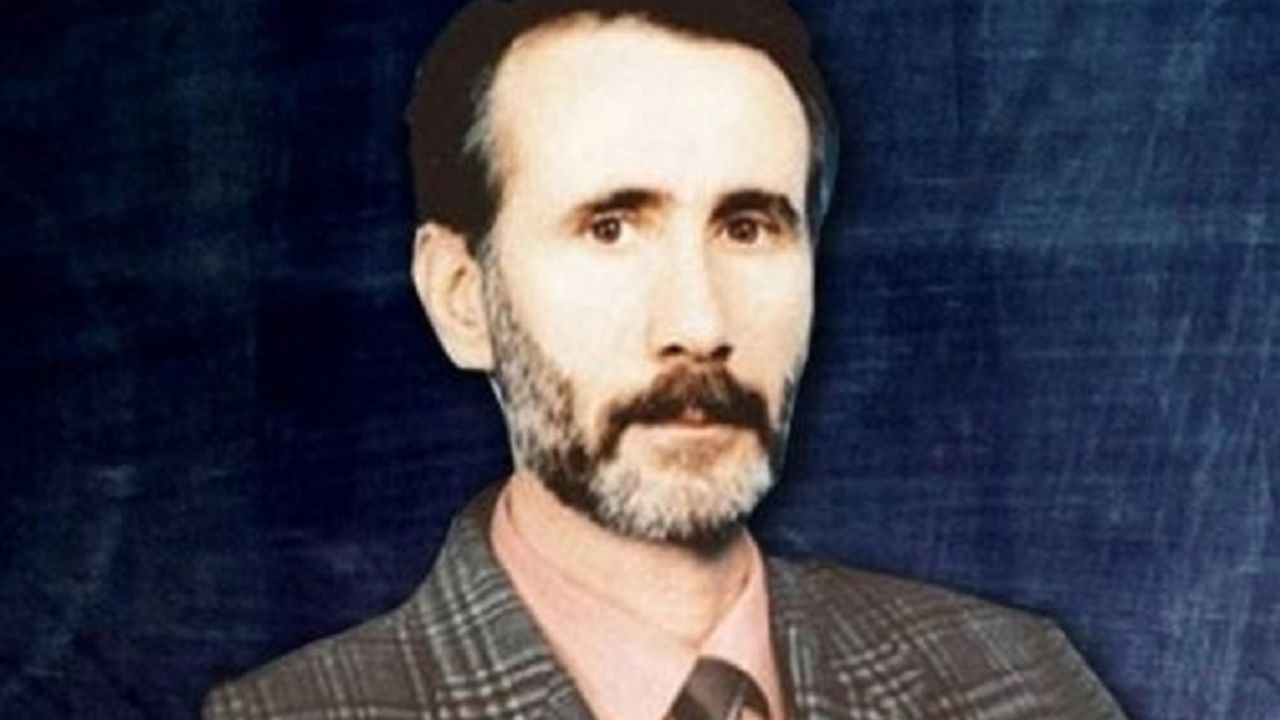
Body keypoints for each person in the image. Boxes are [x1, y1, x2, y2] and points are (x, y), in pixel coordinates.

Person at [204, 0, 1128, 717]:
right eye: (610, 228)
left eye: (747, 227)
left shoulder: (1023, 682)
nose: (699, 322)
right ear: (461, 298)